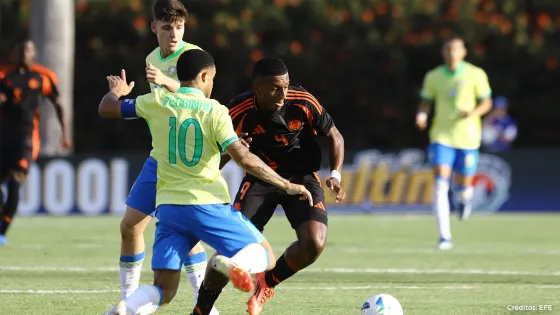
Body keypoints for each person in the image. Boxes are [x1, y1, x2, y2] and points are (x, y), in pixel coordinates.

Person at [98, 48, 313, 315]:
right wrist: (287, 185)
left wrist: (117, 90)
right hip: (206, 204)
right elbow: (245, 159)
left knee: (163, 289)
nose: (212, 85)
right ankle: (229, 262)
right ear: (202, 76)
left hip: (169, 209)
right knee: (266, 256)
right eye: (211, 79)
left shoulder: (157, 102)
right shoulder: (215, 111)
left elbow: (107, 108)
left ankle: (126, 309)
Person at [193, 57, 346, 315]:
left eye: (285, 86)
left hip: (302, 179)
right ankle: (202, 308)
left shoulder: (302, 100)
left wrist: (335, 174)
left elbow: (334, 135)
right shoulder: (236, 111)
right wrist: (234, 149)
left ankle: (267, 282)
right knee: (230, 248)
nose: (283, 94)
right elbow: (213, 160)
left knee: (315, 243)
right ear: (257, 87)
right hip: (260, 179)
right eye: (275, 88)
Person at [104, 1, 213, 314]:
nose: (174, 33)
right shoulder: (152, 57)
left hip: (188, 161)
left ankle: (203, 306)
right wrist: (124, 95)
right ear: (153, 27)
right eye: (167, 27)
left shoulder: (193, 57)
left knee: (188, 234)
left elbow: (203, 99)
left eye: (179, 26)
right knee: (130, 226)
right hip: (160, 157)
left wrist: (168, 83)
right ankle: (128, 301)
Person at [416, 36, 493, 250]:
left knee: (464, 184)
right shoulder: (433, 76)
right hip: (442, 136)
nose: (452, 53)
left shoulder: (475, 74)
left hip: (468, 137)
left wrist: (473, 112)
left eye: (455, 50)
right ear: (443, 52)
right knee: (440, 183)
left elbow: (487, 102)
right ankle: (444, 237)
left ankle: (464, 198)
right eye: (448, 49)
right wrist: (421, 116)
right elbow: (425, 103)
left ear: (463, 52)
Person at [0, 39, 70, 245]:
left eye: (27, 50)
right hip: (4, 138)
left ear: (34, 53)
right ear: (15, 53)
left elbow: (58, 104)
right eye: (20, 50)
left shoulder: (43, 76)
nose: (24, 54)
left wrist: (64, 134)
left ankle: (2, 231)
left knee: (15, 182)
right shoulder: (5, 76)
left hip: (27, 139)